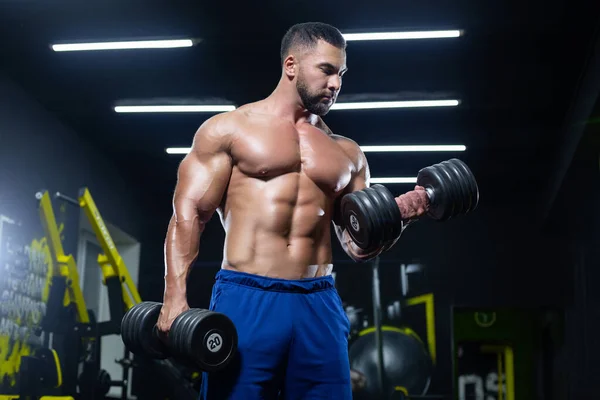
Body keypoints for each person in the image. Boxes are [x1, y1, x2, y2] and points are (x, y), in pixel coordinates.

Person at [156, 22, 430, 399]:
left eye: (341, 75)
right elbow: (189, 214)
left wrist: (399, 215)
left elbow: (357, 246)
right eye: (326, 70)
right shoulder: (229, 130)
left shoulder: (348, 153)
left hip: (319, 299)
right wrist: (174, 298)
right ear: (291, 66)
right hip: (247, 293)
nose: (336, 84)